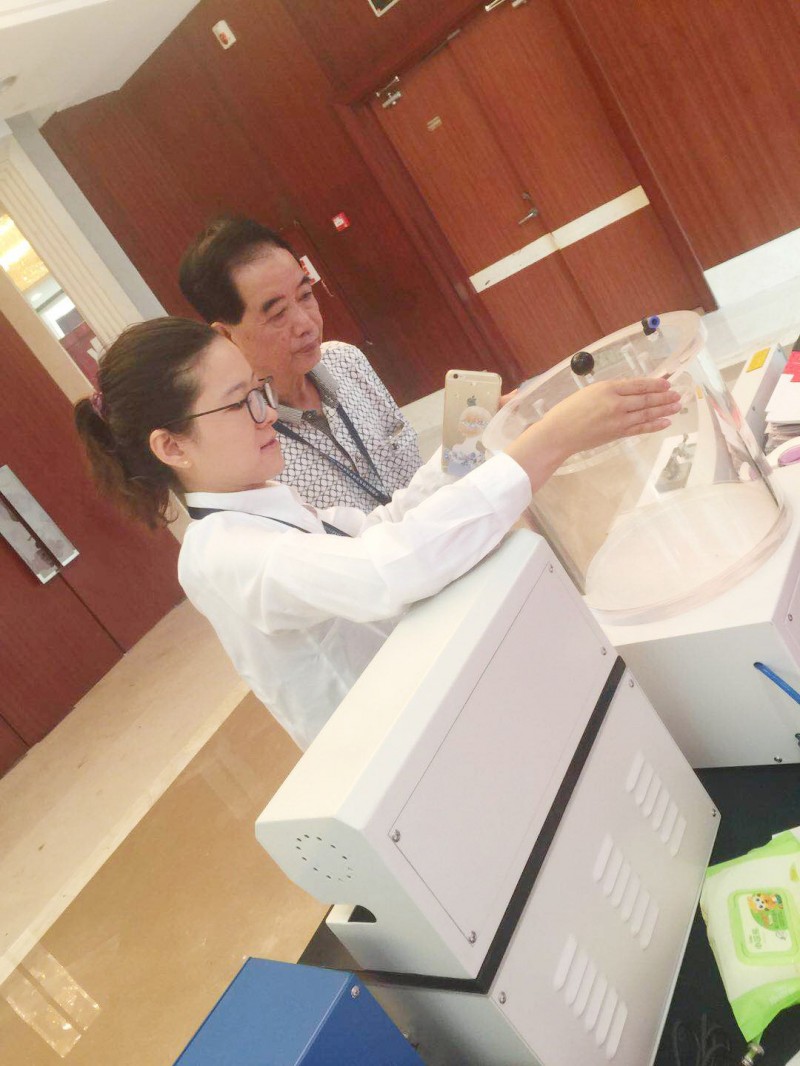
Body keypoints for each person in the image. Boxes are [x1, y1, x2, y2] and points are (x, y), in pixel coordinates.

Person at [74, 318, 681, 751]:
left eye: (259, 392)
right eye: (240, 404)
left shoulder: (263, 504)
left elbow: (383, 528)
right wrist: (549, 442)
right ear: (171, 446)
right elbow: (388, 570)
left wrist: (473, 435)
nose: (268, 415)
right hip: (393, 753)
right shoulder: (222, 555)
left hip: (425, 710)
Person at [178, 216, 422, 511]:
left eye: (305, 295)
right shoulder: (252, 450)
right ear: (227, 336)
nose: (306, 323)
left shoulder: (346, 361)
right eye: (278, 314)